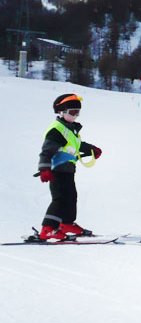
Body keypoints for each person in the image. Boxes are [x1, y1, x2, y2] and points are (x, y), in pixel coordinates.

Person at [36, 93, 103, 240]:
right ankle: (48, 228)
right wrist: (44, 169)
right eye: (72, 112)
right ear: (61, 111)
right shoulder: (57, 130)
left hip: (68, 171)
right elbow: (46, 151)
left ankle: (66, 224)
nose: (75, 116)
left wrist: (92, 149)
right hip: (57, 171)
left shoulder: (70, 130)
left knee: (71, 198)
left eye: (77, 112)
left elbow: (77, 145)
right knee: (60, 199)